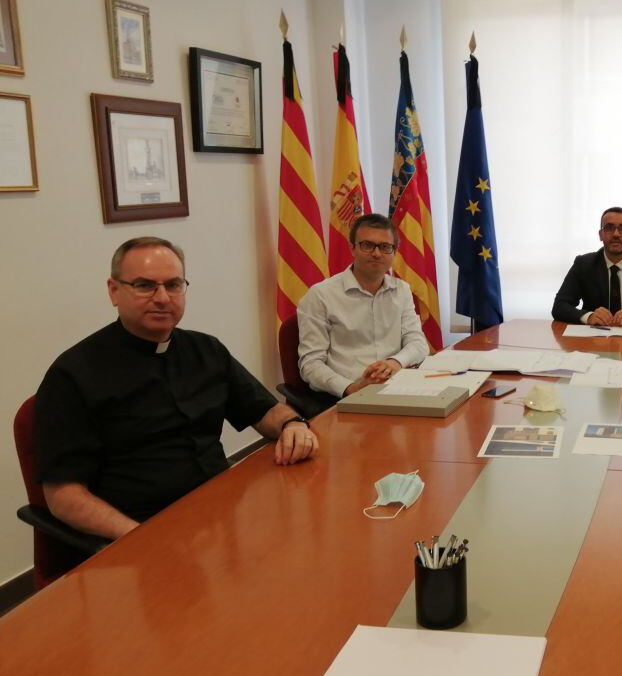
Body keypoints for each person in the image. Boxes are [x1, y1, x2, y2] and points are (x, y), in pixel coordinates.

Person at [36, 237, 318, 540]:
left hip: (219, 514)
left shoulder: (206, 349)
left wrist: (292, 424)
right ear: (114, 291)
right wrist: (142, 538)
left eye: (173, 285)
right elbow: (63, 496)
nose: (162, 298)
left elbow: (264, 409)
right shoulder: (74, 374)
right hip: (139, 527)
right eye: (144, 285)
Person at [298, 213, 428, 397]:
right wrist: (351, 388)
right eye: (367, 245)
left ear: (394, 252)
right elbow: (310, 364)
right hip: (344, 396)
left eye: (384, 247)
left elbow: (417, 343)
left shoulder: (401, 290)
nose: (376, 253)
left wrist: (394, 363)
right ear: (352, 248)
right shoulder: (320, 295)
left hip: (397, 390)